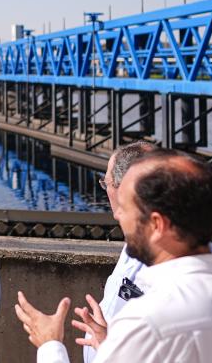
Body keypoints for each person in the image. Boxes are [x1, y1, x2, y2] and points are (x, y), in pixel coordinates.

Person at [15, 149, 212, 362]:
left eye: (126, 208)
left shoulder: (148, 323)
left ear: (157, 225)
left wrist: (51, 345)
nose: (119, 216)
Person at [81, 141, 156, 362]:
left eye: (106, 184)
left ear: (124, 189)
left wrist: (51, 346)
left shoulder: (161, 258)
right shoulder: (133, 243)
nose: (106, 192)